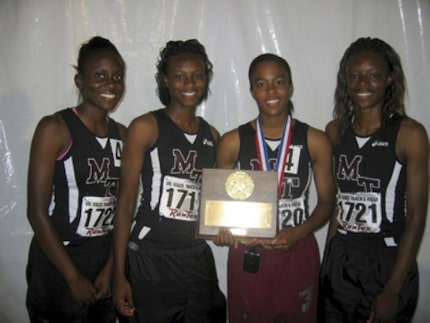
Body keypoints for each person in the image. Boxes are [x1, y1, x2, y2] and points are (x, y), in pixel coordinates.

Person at [214, 53, 335, 322]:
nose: (271, 91)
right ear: (251, 91)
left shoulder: (315, 140)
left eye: (279, 82)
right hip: (248, 252)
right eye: (261, 84)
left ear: (290, 87)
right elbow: (219, 207)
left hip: (298, 249)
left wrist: (299, 232)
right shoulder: (232, 141)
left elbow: (327, 201)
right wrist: (221, 232)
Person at [112, 39, 226, 322]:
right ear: (166, 80)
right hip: (150, 254)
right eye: (180, 76)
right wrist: (118, 274)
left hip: (195, 253)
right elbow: (125, 203)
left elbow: (212, 204)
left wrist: (224, 227)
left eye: (197, 75)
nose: (190, 83)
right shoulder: (146, 127)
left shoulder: (212, 136)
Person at [319, 37, 429, 323]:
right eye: (354, 76)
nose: (362, 84)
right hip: (341, 257)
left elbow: (416, 217)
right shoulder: (334, 131)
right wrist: (328, 261)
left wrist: (392, 290)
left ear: (390, 78)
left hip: (386, 260)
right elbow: (338, 203)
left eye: (373, 75)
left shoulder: (410, 134)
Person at [25, 36, 127, 322]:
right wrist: (72, 278)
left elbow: (122, 208)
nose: (111, 84)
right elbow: (36, 212)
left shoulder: (123, 133)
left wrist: (111, 269)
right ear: (80, 81)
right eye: (100, 76)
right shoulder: (55, 128)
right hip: (59, 266)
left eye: (118, 76)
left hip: (102, 267)